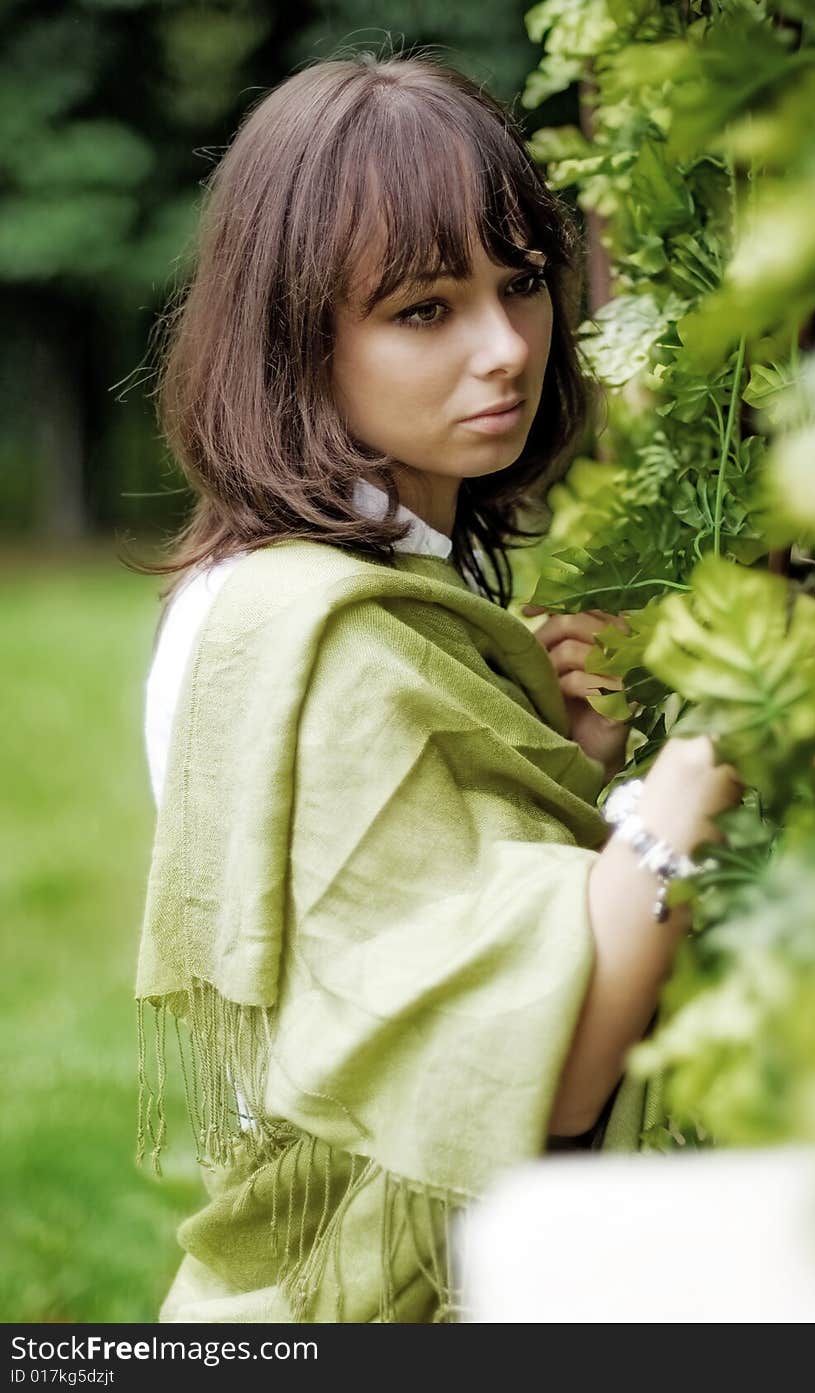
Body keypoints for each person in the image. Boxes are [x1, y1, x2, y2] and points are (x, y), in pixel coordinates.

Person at [135, 51, 741, 1324]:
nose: (504, 349)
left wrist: (554, 762)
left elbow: (404, 937)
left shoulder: (298, 587)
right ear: (296, 334)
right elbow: (544, 1071)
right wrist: (667, 807)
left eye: (521, 286)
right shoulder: (323, 637)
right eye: (423, 309)